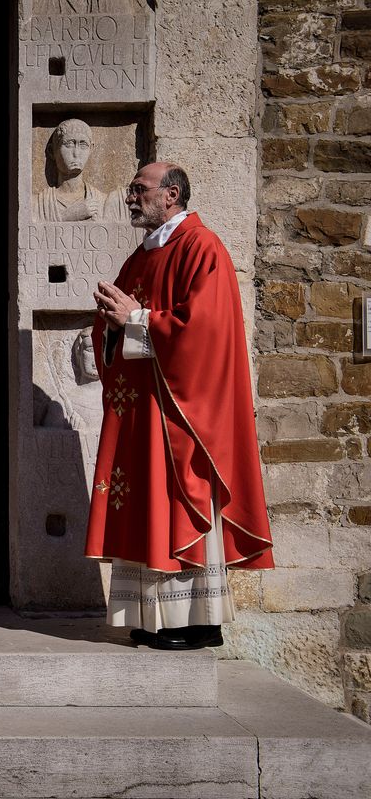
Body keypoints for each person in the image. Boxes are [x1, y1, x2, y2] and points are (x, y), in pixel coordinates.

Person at [87, 162, 273, 651]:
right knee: (146, 508)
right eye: (131, 189)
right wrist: (110, 324)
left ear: (171, 195)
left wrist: (137, 319)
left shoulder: (200, 247)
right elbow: (123, 325)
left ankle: (196, 621)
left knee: (176, 505)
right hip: (143, 412)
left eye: (139, 190)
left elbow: (205, 331)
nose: (131, 197)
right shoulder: (141, 257)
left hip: (179, 417)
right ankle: (154, 618)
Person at [35, 118, 127, 223]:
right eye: (68, 144)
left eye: (83, 145)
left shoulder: (103, 202)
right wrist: (67, 215)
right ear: (52, 151)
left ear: (91, 149)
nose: (76, 153)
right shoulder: (38, 204)